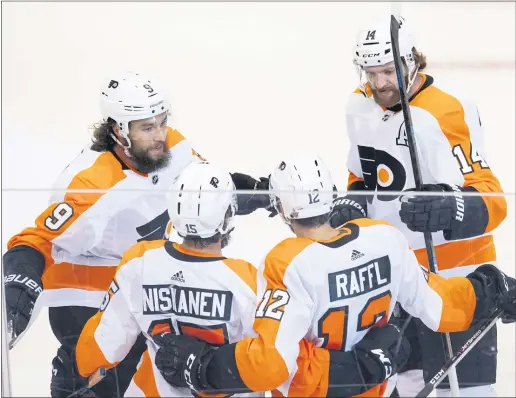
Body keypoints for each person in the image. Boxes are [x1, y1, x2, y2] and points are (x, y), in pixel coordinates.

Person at [144, 154, 516, 397]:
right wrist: (492, 289)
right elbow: (440, 305)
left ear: (282, 212)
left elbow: (271, 365)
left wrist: (204, 366)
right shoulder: (384, 239)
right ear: (332, 197)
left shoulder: (288, 262)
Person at [2, 71, 270, 397]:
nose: (160, 135)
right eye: (147, 127)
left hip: (142, 282)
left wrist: (266, 191)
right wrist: (17, 292)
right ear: (118, 130)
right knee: (99, 375)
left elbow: (206, 187)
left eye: (162, 121)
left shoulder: (172, 146)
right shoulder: (92, 183)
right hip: (86, 296)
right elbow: (35, 241)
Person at [64, 161, 411, 398]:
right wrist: (371, 362)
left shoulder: (138, 261)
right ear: (229, 219)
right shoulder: (248, 281)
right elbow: (288, 366)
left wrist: (77, 370)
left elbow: (103, 345)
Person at [330, 15, 508, 397]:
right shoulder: (358, 106)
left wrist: (451, 209)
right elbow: (363, 178)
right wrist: (353, 206)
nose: (378, 83)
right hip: (396, 278)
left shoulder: (446, 111)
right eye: (370, 72)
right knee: (406, 388)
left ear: (412, 59)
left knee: (466, 392)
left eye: (388, 70)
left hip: (458, 278)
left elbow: (493, 198)